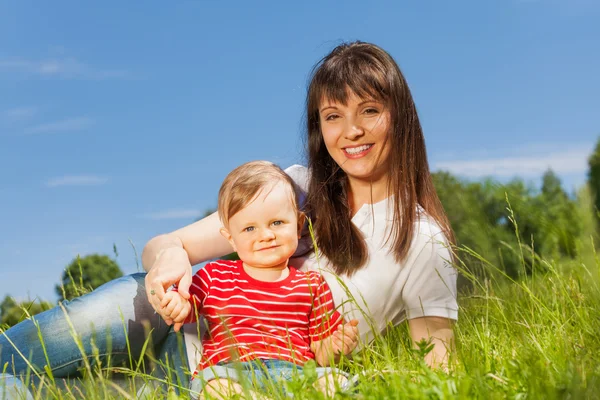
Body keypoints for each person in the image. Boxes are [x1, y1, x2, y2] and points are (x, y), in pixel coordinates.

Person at [0, 41, 457, 395]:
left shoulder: (422, 240)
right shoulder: (295, 186)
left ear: (400, 116)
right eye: (333, 116)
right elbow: (166, 243)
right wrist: (169, 263)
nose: (351, 131)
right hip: (178, 327)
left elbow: (437, 369)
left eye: (370, 111)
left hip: (237, 385)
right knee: (106, 307)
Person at [161, 160, 358, 398]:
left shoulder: (311, 284)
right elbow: (185, 306)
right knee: (213, 386)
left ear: (298, 226)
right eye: (249, 229)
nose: (265, 235)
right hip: (231, 372)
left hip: (295, 374)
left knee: (334, 380)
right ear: (230, 239)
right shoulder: (215, 275)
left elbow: (321, 352)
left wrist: (336, 347)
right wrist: (176, 304)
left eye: (277, 223)